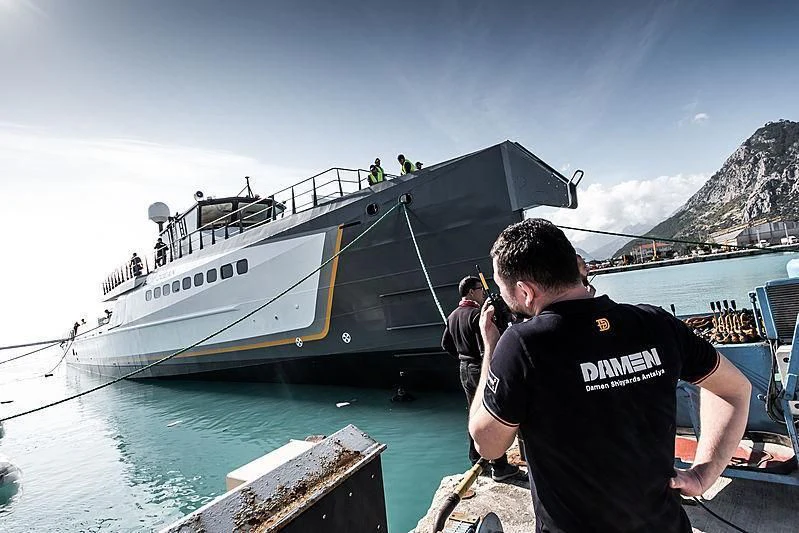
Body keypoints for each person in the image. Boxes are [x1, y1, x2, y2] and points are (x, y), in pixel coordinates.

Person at [468, 218, 751, 532]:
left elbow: (488, 445)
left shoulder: (522, 346)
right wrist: (703, 474)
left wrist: (491, 348)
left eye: (501, 287)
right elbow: (735, 390)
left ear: (524, 290)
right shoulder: (657, 324)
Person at [442, 276, 520, 481]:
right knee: (491, 411)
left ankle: (476, 459)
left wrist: (462, 356)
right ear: (470, 292)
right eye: (479, 289)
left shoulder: (452, 316)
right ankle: (500, 466)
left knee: (473, 411)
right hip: (479, 366)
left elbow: (446, 345)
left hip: (464, 368)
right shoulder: (476, 315)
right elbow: (486, 345)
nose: (483, 293)